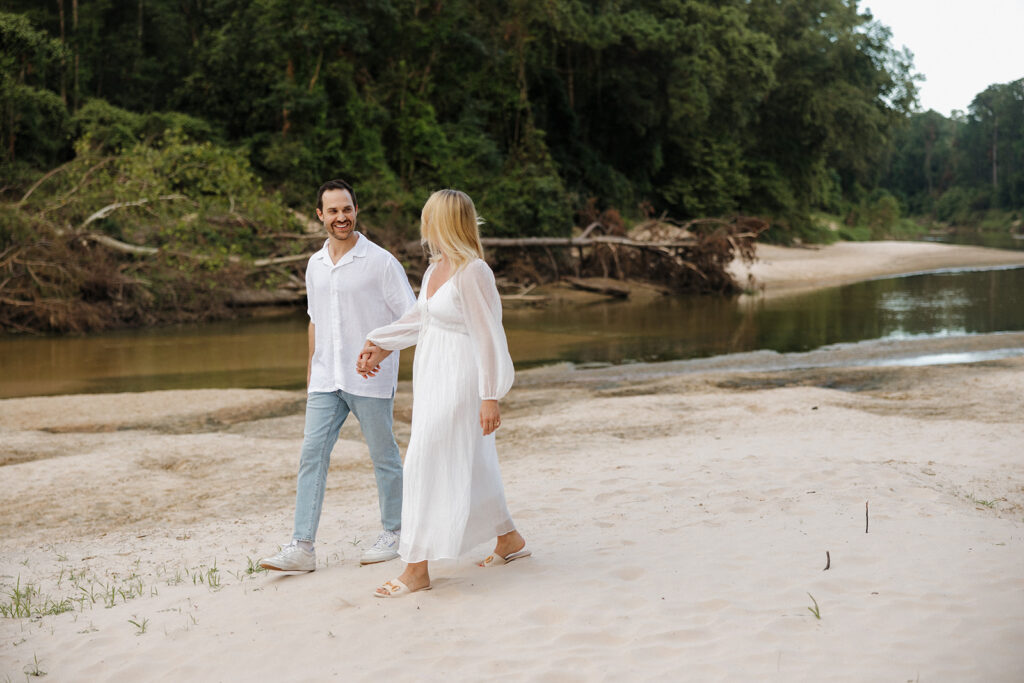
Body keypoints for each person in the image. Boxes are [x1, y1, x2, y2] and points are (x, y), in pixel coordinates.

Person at [357, 188, 529, 598]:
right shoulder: (436, 268)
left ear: (448, 221)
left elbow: (489, 337)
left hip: (462, 378)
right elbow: (420, 320)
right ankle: (509, 539)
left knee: (422, 460)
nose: (424, 224)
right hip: (432, 375)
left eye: (430, 217)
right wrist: (380, 343)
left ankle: (416, 568)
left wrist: (490, 395)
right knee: (474, 460)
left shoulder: (473, 272)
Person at [258, 179, 416, 572]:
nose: (340, 217)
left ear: (356, 211)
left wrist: (381, 347)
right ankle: (302, 547)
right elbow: (314, 321)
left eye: (346, 209)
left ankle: (394, 533)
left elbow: (413, 318)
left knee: (384, 456)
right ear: (320, 215)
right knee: (312, 456)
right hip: (326, 380)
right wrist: (311, 372)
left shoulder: (380, 262)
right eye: (332, 211)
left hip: (370, 379)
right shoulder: (315, 264)